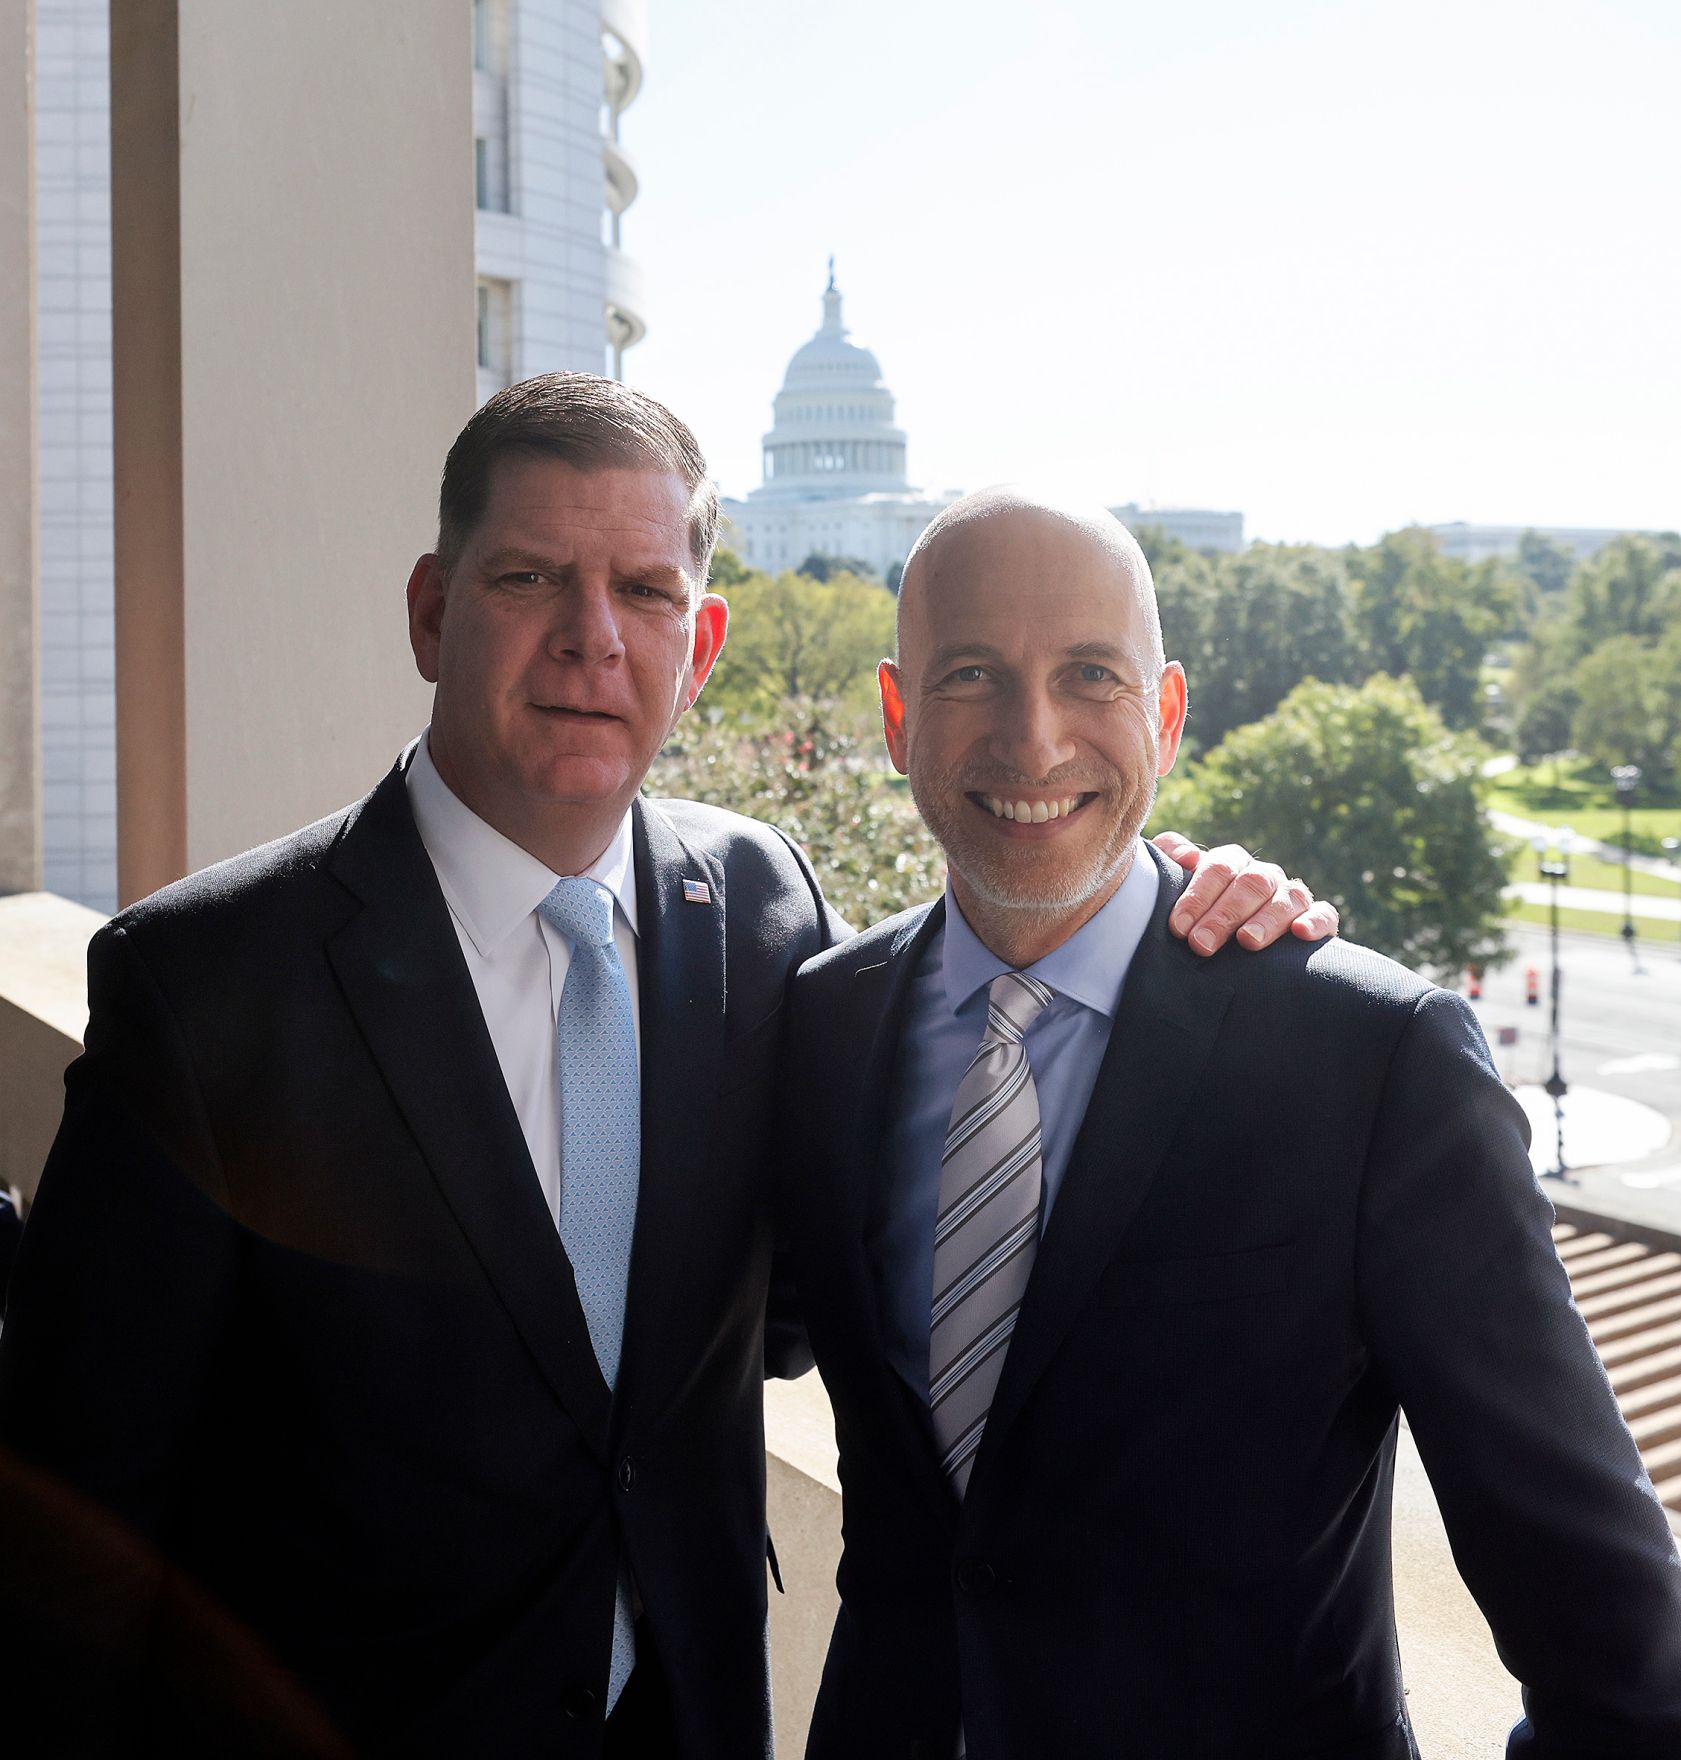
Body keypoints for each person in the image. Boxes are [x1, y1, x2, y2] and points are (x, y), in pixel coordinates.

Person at [0, 378, 1330, 1759]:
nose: (592, 638)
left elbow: (821, 1291)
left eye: (643, 591)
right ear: (432, 612)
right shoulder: (208, 983)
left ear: (699, 647)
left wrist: (1166, 891)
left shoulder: (763, 908)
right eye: (530, 578)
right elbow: (72, 1518)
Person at [777, 487, 1681, 1760]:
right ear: (894, 714)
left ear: (1166, 713)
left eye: (1090, 674)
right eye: (971, 673)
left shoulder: (1371, 1058)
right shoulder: (820, 1025)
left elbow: (1613, 1636)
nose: (1033, 738)